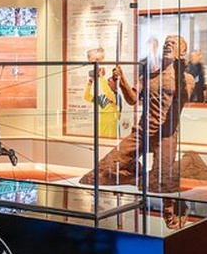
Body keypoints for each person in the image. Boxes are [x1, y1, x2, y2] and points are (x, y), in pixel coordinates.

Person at [79, 35, 194, 193]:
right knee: (96, 175)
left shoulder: (187, 79)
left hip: (165, 136)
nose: (168, 45)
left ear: (182, 52)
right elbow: (132, 99)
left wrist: (180, 71)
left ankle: (186, 162)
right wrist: (122, 81)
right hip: (141, 133)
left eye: (173, 43)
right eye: (166, 43)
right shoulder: (148, 77)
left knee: (159, 185)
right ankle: (135, 173)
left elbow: (184, 99)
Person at [83, 47, 121, 138]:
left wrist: (101, 77)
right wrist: (90, 82)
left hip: (112, 128)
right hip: (102, 127)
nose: (109, 83)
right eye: (108, 82)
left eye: (111, 82)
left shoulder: (116, 97)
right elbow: (86, 97)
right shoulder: (102, 98)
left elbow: (109, 93)